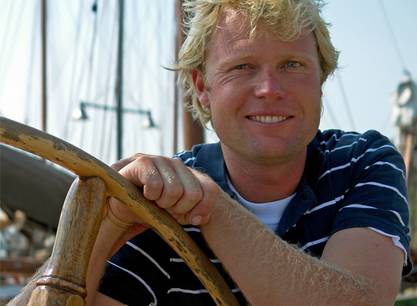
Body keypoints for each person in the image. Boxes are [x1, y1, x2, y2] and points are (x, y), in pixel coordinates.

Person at [12, 0, 411, 305]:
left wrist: (211, 208)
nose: (269, 88)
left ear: (320, 79)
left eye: (292, 64)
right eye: (242, 67)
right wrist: (109, 223)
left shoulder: (362, 161)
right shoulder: (162, 197)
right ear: (202, 87)